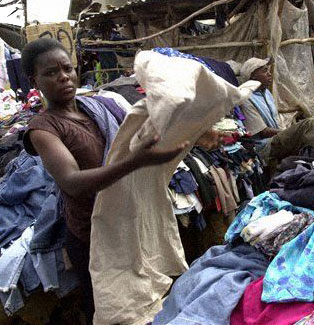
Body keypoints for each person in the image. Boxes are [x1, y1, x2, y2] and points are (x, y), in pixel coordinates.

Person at [21, 38, 189, 324]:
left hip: (128, 222)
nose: (63, 76)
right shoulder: (43, 129)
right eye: (51, 73)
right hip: (92, 234)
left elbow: (142, 136)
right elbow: (71, 181)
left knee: (145, 296)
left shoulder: (100, 105)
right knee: (107, 309)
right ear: (33, 79)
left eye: (67, 68)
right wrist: (134, 162)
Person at [239, 57, 314, 174]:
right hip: (264, 147)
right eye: (264, 71)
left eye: (268, 70)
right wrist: (289, 132)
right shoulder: (246, 98)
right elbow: (263, 132)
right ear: (252, 76)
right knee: (309, 124)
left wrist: (290, 132)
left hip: (274, 139)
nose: (269, 74)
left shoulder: (266, 93)